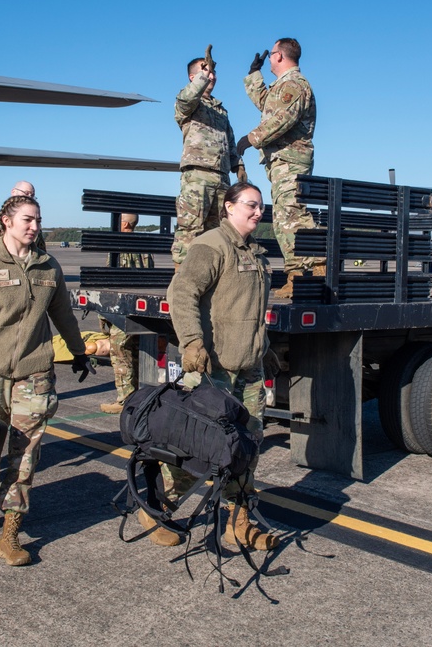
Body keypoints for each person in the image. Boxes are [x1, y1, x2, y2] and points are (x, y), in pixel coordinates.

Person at [0, 194, 95, 566]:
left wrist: (78, 352)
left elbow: (63, 315)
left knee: (24, 456)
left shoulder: (48, 267)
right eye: (27, 219)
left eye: (38, 220)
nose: (35, 227)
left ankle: (11, 530)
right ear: (6, 222)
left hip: (34, 375)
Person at [163, 181, 280, 550]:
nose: (258, 212)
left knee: (248, 445)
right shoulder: (212, 245)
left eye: (261, 206)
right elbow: (182, 292)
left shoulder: (257, 254)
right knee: (199, 445)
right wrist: (192, 342)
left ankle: (237, 520)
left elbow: (251, 312)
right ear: (229, 207)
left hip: (249, 368)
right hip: (215, 369)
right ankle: (160, 506)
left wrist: (265, 349)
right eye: (251, 205)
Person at [238, 37, 324, 298]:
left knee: (290, 215)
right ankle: (303, 272)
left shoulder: (295, 84)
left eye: (272, 53)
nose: (269, 59)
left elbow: (281, 119)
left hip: (291, 160)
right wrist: (254, 75)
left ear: (279, 56)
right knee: (287, 216)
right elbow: (268, 106)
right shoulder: (283, 86)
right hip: (282, 161)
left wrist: (250, 139)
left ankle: (311, 269)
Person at [171, 48, 246, 269]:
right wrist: (203, 76)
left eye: (213, 73)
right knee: (191, 227)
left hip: (221, 177)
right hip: (198, 175)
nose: (211, 76)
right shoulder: (188, 103)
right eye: (206, 72)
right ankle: (183, 275)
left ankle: (212, 273)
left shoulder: (221, 110)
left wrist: (238, 165)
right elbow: (186, 99)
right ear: (193, 77)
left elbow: (229, 140)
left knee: (220, 230)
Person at [100, 213, 154, 414]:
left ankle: (125, 399)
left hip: (122, 308)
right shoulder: (144, 247)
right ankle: (140, 397)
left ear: (123, 223)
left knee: (120, 352)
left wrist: (103, 315)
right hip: (141, 307)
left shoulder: (118, 246)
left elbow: (110, 280)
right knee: (138, 352)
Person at [0, 181, 46, 255]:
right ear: (13, 192)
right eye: (26, 193)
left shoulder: (34, 224)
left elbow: (42, 252)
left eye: (32, 195)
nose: (29, 197)